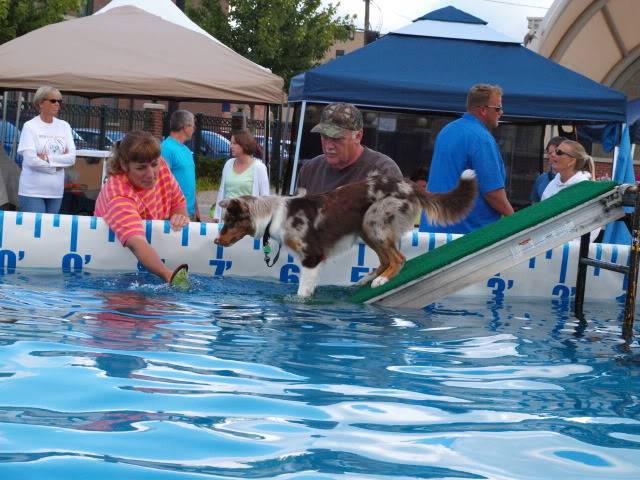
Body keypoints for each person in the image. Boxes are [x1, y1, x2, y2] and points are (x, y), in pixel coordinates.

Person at [94, 131, 190, 285]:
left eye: (154, 165)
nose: (151, 174)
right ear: (124, 165)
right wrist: (167, 274)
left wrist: (180, 216)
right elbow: (137, 242)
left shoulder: (162, 165)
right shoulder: (118, 194)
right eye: (141, 168)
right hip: (110, 273)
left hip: (147, 261)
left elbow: (178, 203)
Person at [424, 84, 514, 233]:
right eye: (497, 108)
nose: (501, 112)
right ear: (483, 110)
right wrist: (515, 221)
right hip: (467, 236)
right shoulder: (481, 138)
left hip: (433, 229)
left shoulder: (447, 130)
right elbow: (493, 193)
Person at [296, 102, 402, 195]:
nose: (329, 146)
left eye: (336, 138)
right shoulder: (310, 170)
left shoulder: (383, 171)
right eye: (324, 136)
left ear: (358, 136)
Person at [16, 86, 76, 213]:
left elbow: (71, 158)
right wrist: (57, 166)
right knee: (35, 230)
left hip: (56, 192)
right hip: (32, 191)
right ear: (41, 103)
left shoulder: (64, 126)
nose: (57, 104)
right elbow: (31, 160)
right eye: (53, 101)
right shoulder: (30, 126)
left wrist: (47, 158)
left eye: (60, 101)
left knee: (50, 231)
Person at [212, 129, 270, 221]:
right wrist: (217, 215)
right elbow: (221, 191)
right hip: (226, 221)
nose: (231, 146)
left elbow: (265, 199)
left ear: (244, 145)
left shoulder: (259, 167)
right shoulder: (228, 164)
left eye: (234, 143)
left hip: (246, 223)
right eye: (231, 143)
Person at [161, 109, 199, 221]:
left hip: (190, 213)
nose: (194, 129)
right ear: (185, 127)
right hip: (175, 215)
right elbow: (163, 183)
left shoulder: (186, 150)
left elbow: (190, 182)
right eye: (193, 125)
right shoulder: (165, 149)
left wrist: (196, 209)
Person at [530, 136, 566, 203]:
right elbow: (534, 206)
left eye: (558, 152)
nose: (553, 156)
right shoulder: (541, 179)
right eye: (550, 153)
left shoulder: (575, 180)